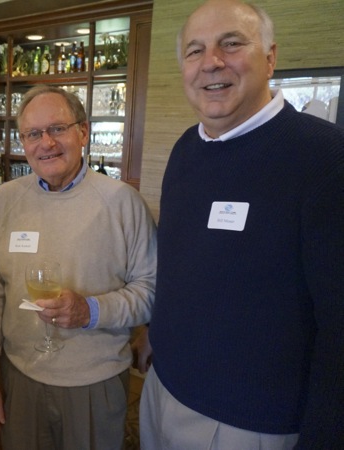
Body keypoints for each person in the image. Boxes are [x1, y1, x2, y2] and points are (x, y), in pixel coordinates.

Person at [139, 1, 344, 448]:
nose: (212, 62)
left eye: (231, 43)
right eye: (195, 51)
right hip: (162, 392)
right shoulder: (184, 151)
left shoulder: (325, 159)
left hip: (250, 422)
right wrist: (158, 338)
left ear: (270, 57)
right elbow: (180, 264)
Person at [0, 85, 157, 450]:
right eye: (34, 134)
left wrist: (90, 310)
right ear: (23, 141)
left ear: (83, 132)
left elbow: (150, 293)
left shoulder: (123, 202)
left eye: (57, 129)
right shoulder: (3, 201)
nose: (47, 143)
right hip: (19, 376)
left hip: (95, 381)